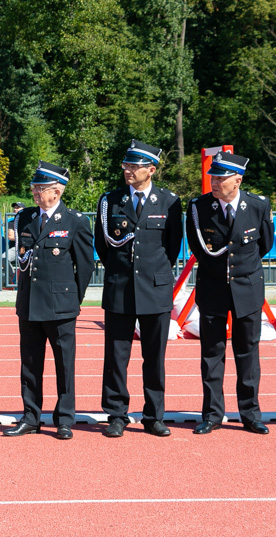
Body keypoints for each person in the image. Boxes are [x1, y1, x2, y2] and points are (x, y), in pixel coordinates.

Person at [94, 140, 183, 438]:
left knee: (154, 357)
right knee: (116, 356)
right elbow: (102, 246)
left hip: (155, 289)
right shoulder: (110, 200)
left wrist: (152, 274)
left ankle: (153, 415)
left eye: (135, 166)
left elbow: (172, 248)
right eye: (126, 165)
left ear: (151, 170)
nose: (128, 170)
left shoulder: (169, 201)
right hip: (120, 287)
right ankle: (116, 414)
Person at [3, 161, 94, 440]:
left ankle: (65, 418)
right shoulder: (24, 218)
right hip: (29, 303)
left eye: (40, 188)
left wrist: (70, 299)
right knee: (30, 364)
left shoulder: (76, 221)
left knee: (64, 364)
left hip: (61, 306)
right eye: (34, 187)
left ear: (57, 191)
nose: (34, 192)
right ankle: (31, 416)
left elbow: (85, 266)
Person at [186, 152, 274, 435]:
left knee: (247, 353)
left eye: (221, 177)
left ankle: (250, 414)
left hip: (247, 289)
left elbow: (265, 244)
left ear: (237, 179)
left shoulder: (258, 205)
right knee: (212, 353)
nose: (214, 181)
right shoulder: (199, 207)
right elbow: (199, 248)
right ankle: (212, 414)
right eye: (213, 176)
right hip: (213, 288)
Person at [6, 201, 25, 277]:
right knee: (3, 259)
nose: (15, 209)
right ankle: (13, 277)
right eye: (14, 208)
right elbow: (10, 236)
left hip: (26, 247)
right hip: (15, 248)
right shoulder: (11, 222)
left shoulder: (28, 221)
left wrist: (18, 236)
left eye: (17, 208)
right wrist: (24, 236)